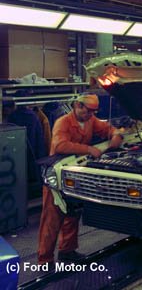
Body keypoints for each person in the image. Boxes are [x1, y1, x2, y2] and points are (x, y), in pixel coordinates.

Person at [38, 93, 123, 265]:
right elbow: (60, 145)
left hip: (75, 174)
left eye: (93, 112)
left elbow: (106, 128)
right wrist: (89, 149)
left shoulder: (90, 120)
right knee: (52, 219)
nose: (90, 114)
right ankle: (44, 259)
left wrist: (115, 135)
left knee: (72, 213)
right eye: (88, 111)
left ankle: (67, 251)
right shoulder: (63, 122)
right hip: (57, 175)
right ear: (78, 105)